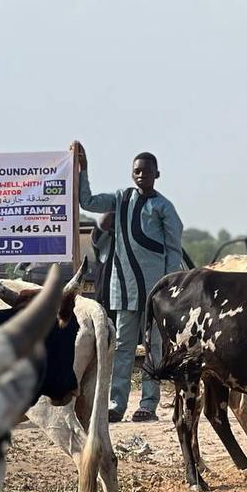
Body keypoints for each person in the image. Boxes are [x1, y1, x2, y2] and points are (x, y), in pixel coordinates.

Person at [74, 141, 183, 422]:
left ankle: (148, 404)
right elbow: (86, 201)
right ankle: (116, 403)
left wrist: (169, 285)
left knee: (153, 347)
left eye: (146, 172)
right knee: (122, 346)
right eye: (136, 171)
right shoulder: (121, 198)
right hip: (124, 289)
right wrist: (81, 169)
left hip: (155, 292)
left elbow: (174, 248)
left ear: (156, 174)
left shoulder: (163, 207)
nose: (140, 176)